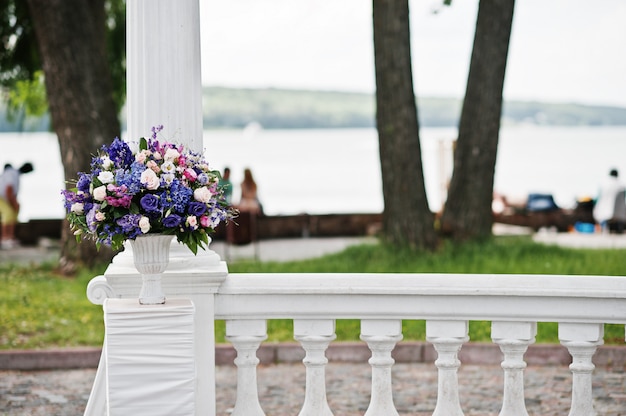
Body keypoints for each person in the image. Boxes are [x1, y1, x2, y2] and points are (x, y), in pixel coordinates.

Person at [0, 162, 34, 249]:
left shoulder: (13, 173)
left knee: (12, 213)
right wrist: (13, 203)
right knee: (8, 214)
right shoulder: (13, 173)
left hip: (5, 197)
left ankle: (10, 237)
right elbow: (9, 189)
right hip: (3, 197)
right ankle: (5, 238)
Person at [593, 168, 626, 233]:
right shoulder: (622, 185)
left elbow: (597, 198)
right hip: (619, 212)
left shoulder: (603, 185)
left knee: (603, 215)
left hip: (604, 211)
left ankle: (604, 228)